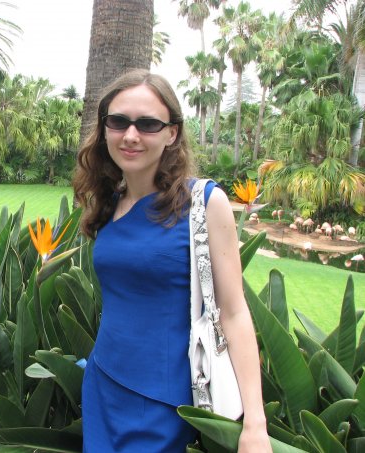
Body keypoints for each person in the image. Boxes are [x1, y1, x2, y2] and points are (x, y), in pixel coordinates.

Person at [72, 69, 271, 453]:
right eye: (119, 121)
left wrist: (255, 425)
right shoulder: (111, 202)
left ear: (172, 134)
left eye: (148, 124)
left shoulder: (204, 202)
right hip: (103, 386)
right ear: (105, 128)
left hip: (164, 403)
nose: (131, 135)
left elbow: (233, 312)